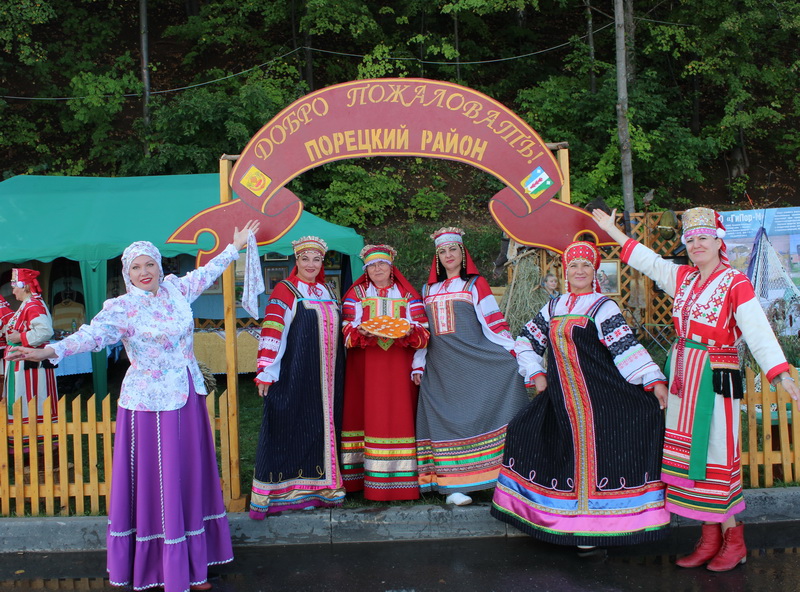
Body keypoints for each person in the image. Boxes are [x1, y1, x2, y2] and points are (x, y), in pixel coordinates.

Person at [8, 220, 259, 591]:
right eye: (136, 267)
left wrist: (234, 246)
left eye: (150, 264)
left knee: (188, 476)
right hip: (149, 406)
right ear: (127, 273)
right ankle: (163, 566)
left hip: (187, 398)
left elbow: (207, 272)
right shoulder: (122, 308)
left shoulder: (176, 290)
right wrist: (49, 349)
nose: (144, 272)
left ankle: (195, 563)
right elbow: (91, 335)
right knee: (161, 480)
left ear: (160, 267)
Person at [592, 206, 800, 572]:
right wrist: (615, 232)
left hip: (716, 379)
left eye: (703, 238)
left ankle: (733, 541)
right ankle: (708, 538)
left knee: (716, 455)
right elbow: (649, 261)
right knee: (689, 460)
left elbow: (756, 330)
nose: (696, 245)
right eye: (690, 239)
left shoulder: (736, 283)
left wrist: (780, 374)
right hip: (684, 379)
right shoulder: (684, 279)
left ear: (719, 242)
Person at [491, 240, 671, 550]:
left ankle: (596, 527)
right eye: (573, 265)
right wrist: (536, 373)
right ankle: (552, 518)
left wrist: (653, 380)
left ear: (594, 271)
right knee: (524, 432)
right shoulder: (553, 306)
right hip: (562, 398)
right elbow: (524, 340)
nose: (579, 270)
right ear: (565, 271)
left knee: (607, 453)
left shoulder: (603, 307)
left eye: (585, 265)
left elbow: (624, 348)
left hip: (602, 397)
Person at [412, 227, 529, 506]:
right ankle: (453, 486)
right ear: (437, 257)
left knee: (483, 411)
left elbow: (493, 322)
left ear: (462, 253)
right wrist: (418, 364)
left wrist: (514, 353)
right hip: (440, 368)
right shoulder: (427, 290)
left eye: (453, 249)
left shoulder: (475, 285)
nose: (448, 255)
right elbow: (423, 331)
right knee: (444, 421)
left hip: (474, 362)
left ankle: (498, 476)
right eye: (442, 251)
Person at [251, 235, 346, 517]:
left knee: (321, 428)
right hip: (297, 372)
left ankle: (323, 489)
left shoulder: (327, 291)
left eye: (316, 259)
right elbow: (273, 331)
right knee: (290, 426)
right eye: (305, 259)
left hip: (328, 380)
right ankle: (282, 492)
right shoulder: (286, 290)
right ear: (297, 261)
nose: (311, 264)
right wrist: (266, 371)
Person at [340, 244, 430, 501]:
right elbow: (345, 330)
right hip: (365, 368)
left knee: (399, 415)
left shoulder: (407, 294)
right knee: (366, 414)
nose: (377, 269)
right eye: (372, 265)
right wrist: (360, 333)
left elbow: (424, 332)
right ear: (366, 269)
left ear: (392, 267)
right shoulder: (356, 294)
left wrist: (409, 334)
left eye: (382, 264)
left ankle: (403, 480)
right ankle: (361, 479)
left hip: (399, 366)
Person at [3, 268, 58, 453]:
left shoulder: (33, 305)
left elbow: (45, 331)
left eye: (15, 287)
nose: (13, 291)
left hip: (31, 367)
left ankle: (36, 452)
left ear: (24, 286)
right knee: (23, 405)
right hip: (22, 366)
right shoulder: (27, 304)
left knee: (32, 405)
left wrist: (21, 338)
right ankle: (26, 450)